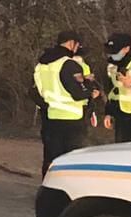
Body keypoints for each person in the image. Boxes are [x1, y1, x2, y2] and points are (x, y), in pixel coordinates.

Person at [33, 30, 99, 175]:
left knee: (51, 160)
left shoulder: (42, 64)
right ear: (71, 43)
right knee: (72, 162)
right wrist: (89, 87)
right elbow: (78, 93)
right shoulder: (69, 64)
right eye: (77, 45)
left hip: (51, 118)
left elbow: (34, 91)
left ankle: (49, 186)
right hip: (72, 120)